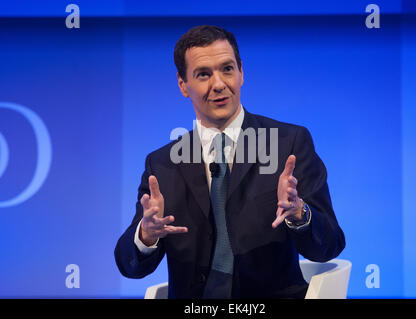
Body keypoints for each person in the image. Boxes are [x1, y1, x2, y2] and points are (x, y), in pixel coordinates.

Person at [114, 25, 345, 299]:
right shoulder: (162, 165)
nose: (219, 84)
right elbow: (129, 265)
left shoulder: (289, 144)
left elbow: (329, 246)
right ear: (182, 84)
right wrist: (147, 235)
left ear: (241, 72)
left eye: (227, 69)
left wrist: (299, 214)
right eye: (203, 74)